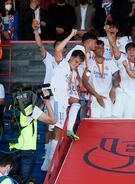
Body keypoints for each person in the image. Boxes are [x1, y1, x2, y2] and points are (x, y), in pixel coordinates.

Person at [32, 19, 65, 172]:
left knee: (57, 126)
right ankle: (47, 156)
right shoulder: (49, 59)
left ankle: (53, 156)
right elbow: (39, 45)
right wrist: (35, 31)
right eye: (57, 46)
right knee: (48, 127)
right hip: (47, 91)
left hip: (60, 95)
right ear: (54, 47)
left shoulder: (66, 64)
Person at [49, 29, 85, 165]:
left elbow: (70, 90)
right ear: (70, 58)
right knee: (57, 132)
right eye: (75, 61)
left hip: (63, 102)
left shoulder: (74, 73)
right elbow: (58, 49)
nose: (76, 64)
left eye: (79, 63)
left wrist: (79, 83)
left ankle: (50, 161)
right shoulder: (62, 64)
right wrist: (71, 35)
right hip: (56, 100)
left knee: (57, 132)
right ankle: (53, 161)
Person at [9, 85, 56, 184]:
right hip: (27, 150)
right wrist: (47, 102)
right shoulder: (32, 110)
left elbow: (30, 117)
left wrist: (42, 104)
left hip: (13, 148)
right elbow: (52, 120)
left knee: (13, 179)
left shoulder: (12, 106)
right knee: (24, 180)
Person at [65, 32, 97, 137]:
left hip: (75, 84)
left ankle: (70, 130)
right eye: (95, 43)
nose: (96, 45)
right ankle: (68, 130)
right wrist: (78, 81)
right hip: (67, 81)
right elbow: (72, 65)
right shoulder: (78, 49)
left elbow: (79, 69)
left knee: (76, 104)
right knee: (70, 105)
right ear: (88, 42)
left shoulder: (88, 54)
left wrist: (80, 82)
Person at [82, 40, 120, 118]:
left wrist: (113, 88)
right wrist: (97, 96)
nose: (101, 50)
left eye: (102, 48)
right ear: (94, 50)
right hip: (95, 98)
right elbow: (85, 82)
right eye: (98, 48)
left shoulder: (109, 62)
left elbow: (117, 77)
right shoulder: (90, 63)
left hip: (108, 98)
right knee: (94, 124)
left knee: (107, 123)